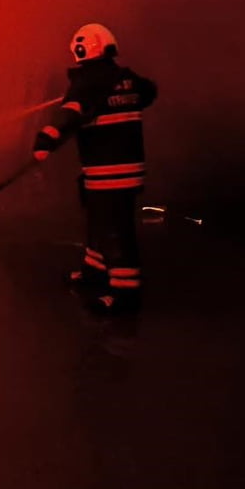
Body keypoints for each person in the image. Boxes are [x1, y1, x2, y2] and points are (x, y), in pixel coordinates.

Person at [32, 24, 157, 314]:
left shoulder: (88, 80)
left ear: (81, 48)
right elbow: (149, 92)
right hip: (124, 171)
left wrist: (44, 141)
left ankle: (125, 298)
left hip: (106, 172)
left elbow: (70, 115)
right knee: (100, 227)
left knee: (116, 235)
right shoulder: (125, 79)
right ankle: (93, 274)